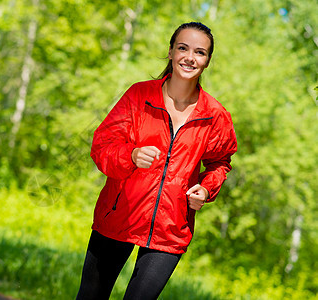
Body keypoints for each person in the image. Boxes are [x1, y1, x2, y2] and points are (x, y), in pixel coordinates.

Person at [76, 22, 237, 299]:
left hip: (170, 229)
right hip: (118, 217)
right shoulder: (139, 96)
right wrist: (131, 155)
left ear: (208, 61)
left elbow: (220, 162)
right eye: (183, 48)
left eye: (200, 52)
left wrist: (207, 188)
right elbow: (102, 146)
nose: (190, 57)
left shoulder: (214, 115)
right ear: (171, 52)